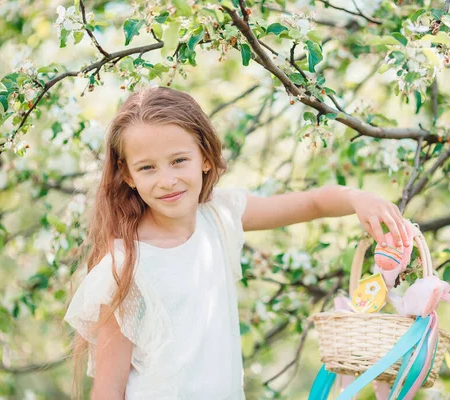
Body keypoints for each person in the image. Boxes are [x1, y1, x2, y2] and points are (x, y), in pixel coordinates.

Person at [63, 86, 410, 400]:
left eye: (179, 160)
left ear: (206, 157)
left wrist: (356, 199)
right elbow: (109, 388)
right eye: (148, 168)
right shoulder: (124, 267)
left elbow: (311, 203)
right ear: (128, 175)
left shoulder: (220, 217)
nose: (167, 180)